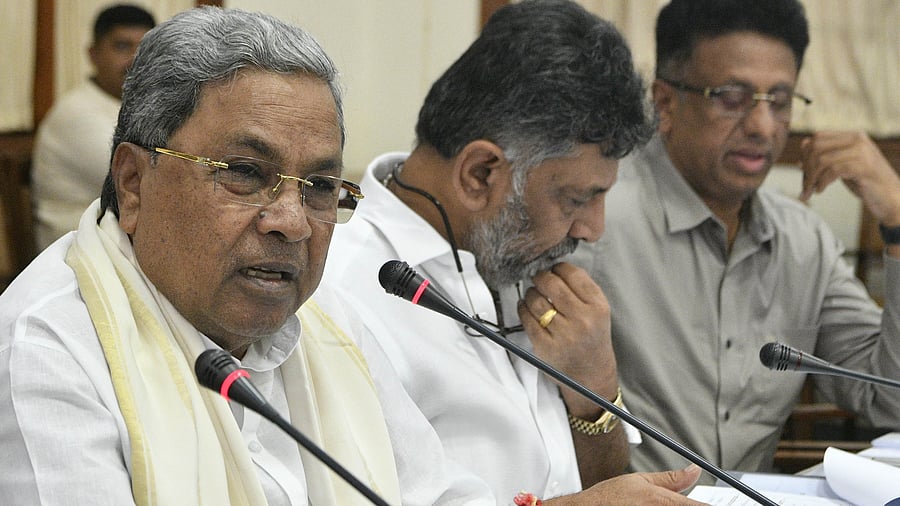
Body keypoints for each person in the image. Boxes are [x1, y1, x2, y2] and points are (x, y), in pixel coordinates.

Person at [0, 5, 704, 506]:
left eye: (315, 187)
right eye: (244, 172)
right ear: (134, 182)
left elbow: (436, 497)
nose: (291, 223)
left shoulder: (329, 324)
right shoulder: (47, 350)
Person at [321, 0, 702, 503]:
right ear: (481, 174)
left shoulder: (513, 256)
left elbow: (602, 488)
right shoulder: (339, 297)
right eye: (575, 198)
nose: (592, 229)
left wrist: (595, 389)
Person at [567, 0, 900, 479]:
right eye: (731, 97)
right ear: (665, 103)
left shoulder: (804, 242)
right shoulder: (592, 217)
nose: (764, 127)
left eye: (780, 101)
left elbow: (888, 398)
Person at [31, 4, 155, 250]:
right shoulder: (76, 113)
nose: (134, 59)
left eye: (145, 49)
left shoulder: (135, 105)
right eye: (122, 46)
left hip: (116, 242)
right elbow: (147, 182)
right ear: (93, 54)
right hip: (73, 254)